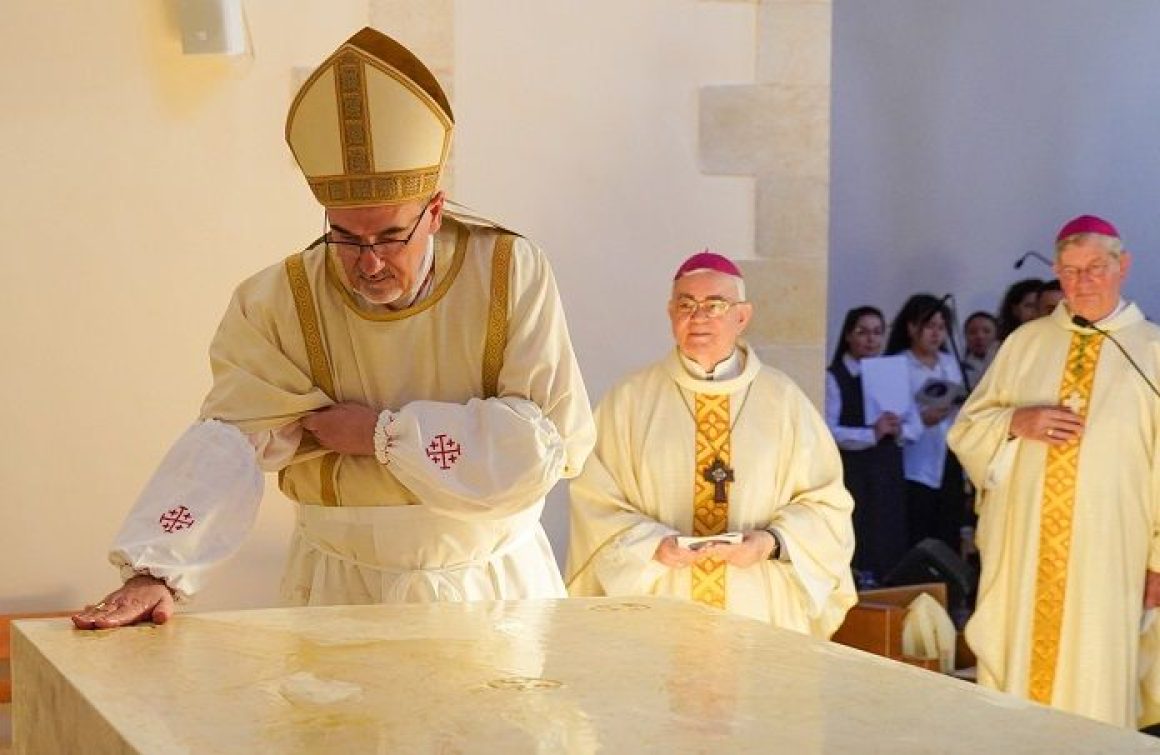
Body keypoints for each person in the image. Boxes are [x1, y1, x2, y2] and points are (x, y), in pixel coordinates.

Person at [72, 28, 595, 629]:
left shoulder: (507, 271)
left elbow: (541, 445)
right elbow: (231, 440)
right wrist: (154, 571)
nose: (368, 262)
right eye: (345, 237)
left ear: (435, 210)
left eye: (389, 236)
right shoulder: (278, 300)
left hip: (489, 586)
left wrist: (383, 434)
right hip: (340, 583)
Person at [565, 252, 856, 636]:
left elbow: (827, 506)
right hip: (658, 609)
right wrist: (653, 546)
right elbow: (594, 501)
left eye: (715, 305)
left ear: (742, 316)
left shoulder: (784, 401)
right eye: (686, 305)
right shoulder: (628, 401)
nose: (698, 316)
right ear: (671, 314)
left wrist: (770, 542)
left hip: (757, 611)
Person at [948, 214, 1160, 728]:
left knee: (1096, 681)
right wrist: (1017, 421)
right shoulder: (1025, 343)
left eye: (1095, 268)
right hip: (1026, 551)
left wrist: (1157, 563)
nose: (1081, 281)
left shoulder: (1152, 351)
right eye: (1069, 270)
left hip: (1111, 556)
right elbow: (967, 431)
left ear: (1122, 266)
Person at [825, 306, 917, 587]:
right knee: (859, 528)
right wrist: (871, 434)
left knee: (887, 529)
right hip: (854, 468)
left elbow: (913, 425)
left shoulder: (891, 373)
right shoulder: (835, 376)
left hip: (887, 465)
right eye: (862, 332)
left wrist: (900, 428)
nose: (871, 339)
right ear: (848, 336)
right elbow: (829, 431)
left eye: (877, 332)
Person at [885, 294, 968, 555]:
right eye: (929, 326)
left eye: (941, 327)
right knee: (918, 535)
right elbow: (891, 423)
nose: (936, 334)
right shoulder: (897, 365)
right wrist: (922, 420)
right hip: (914, 464)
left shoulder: (949, 363)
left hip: (949, 457)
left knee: (947, 532)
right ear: (911, 328)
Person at [961, 311, 999, 389]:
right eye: (972, 332)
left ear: (996, 335)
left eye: (987, 331)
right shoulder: (959, 369)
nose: (980, 336)